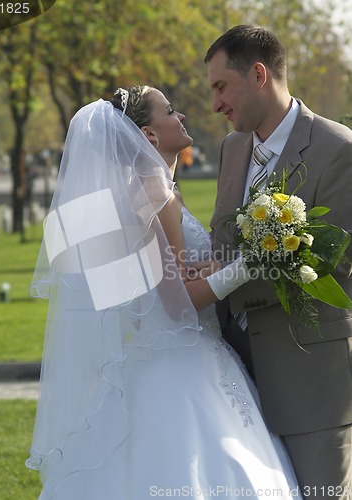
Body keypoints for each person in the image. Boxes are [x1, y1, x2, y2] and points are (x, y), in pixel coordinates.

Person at [26, 85, 302, 499]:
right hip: (186, 361)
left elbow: (155, 289)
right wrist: (252, 263)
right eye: (170, 111)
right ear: (150, 136)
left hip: (159, 355)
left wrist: (214, 266)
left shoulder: (142, 191)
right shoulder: (153, 193)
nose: (183, 117)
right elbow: (176, 304)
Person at [204, 25, 352, 499]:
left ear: (259, 74)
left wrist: (216, 285)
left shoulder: (338, 150)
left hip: (312, 386)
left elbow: (334, 266)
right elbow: (223, 241)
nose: (216, 104)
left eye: (221, 86)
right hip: (235, 386)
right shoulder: (231, 149)